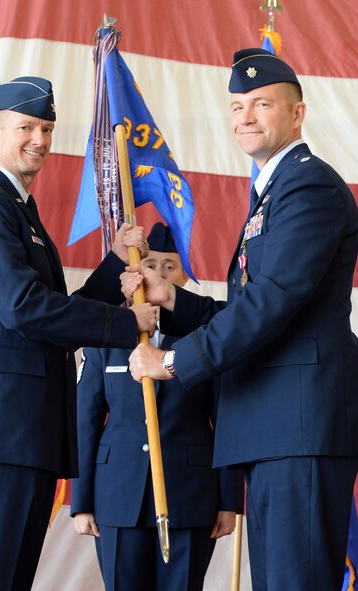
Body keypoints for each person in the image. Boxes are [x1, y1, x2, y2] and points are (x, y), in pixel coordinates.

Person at [125, 49, 358, 590]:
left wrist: (171, 362)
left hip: (299, 418)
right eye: (237, 105)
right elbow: (252, 308)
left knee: (296, 581)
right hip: (275, 420)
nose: (244, 116)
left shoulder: (308, 187)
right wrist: (171, 299)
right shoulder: (275, 190)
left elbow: (273, 302)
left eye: (261, 103)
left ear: (297, 113)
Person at [0, 76, 157, 591]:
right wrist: (126, 323)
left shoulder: (17, 211)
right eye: (26, 126)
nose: (39, 139)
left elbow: (46, 318)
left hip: (21, 435)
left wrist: (111, 270)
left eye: (47, 128)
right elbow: (22, 308)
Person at [71, 222, 244, 591]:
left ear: (183, 275)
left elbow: (227, 418)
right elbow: (85, 421)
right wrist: (80, 500)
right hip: (117, 495)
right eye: (149, 263)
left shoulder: (207, 337)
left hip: (190, 495)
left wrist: (229, 500)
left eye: (170, 266)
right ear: (134, 271)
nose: (159, 273)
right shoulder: (106, 332)